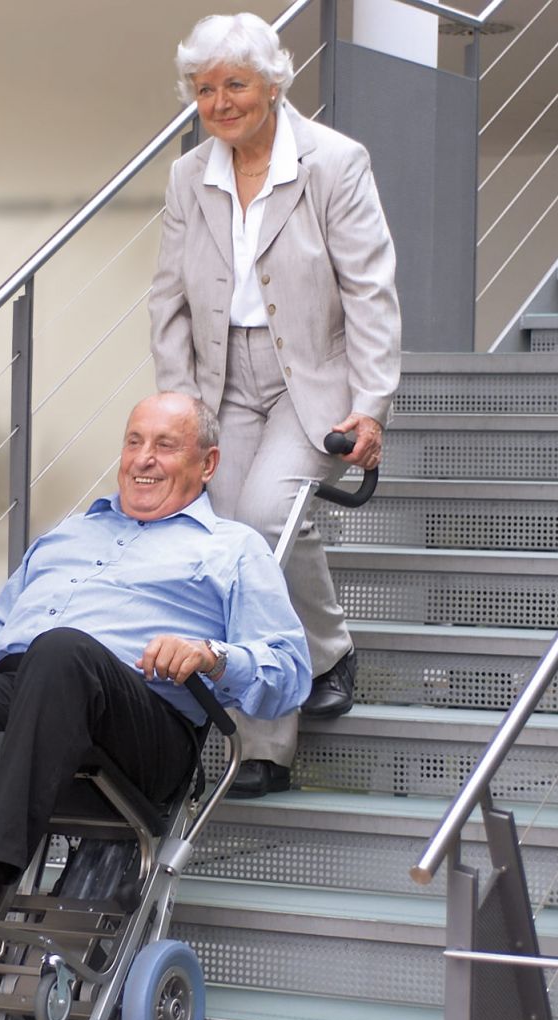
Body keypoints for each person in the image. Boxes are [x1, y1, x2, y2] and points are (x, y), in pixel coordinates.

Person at [0, 391, 311, 922]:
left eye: (165, 445)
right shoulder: (70, 532)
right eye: (134, 442)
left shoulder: (234, 548)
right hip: (32, 688)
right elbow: (6, 614)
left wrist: (212, 656)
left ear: (209, 464)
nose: (143, 459)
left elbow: (290, 672)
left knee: (63, 650)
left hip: (141, 720)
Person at [149, 13, 401, 798]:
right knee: (223, 543)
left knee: (264, 518)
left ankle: (321, 653)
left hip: (310, 377)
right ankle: (264, 746)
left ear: (273, 83)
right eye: (205, 89)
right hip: (220, 378)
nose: (220, 102)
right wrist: (179, 407)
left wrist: (371, 405)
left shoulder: (334, 162)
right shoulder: (191, 176)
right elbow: (168, 302)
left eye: (235, 84)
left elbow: (369, 289)